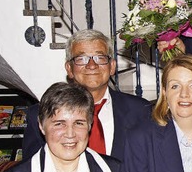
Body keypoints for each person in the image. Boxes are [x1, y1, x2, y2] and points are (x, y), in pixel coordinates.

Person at [22, 29, 152, 160]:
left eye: (100, 58)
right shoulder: (40, 115)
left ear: (112, 66)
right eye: (81, 59)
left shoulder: (141, 111)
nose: (91, 65)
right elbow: (32, 171)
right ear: (69, 69)